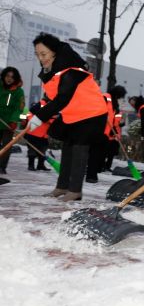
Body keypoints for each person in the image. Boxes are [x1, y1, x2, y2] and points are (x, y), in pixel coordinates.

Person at [30, 32, 108, 201]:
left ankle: (75, 191)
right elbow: (52, 97)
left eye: (44, 54)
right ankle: (62, 186)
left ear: (54, 52)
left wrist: (40, 117)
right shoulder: (52, 71)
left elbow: (62, 98)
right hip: (74, 115)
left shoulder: (71, 70)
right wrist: (37, 112)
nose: (41, 58)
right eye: (38, 54)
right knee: (68, 148)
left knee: (80, 149)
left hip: (92, 113)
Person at [0, 67, 25, 174]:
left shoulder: (19, 92)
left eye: (12, 77)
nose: (9, 79)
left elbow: (19, 108)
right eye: (7, 76)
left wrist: (14, 120)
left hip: (8, 124)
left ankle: (2, 166)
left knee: (7, 145)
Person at [104, 85, 127, 172]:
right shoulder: (108, 100)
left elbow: (117, 120)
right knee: (105, 150)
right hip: (108, 131)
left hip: (115, 133)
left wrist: (121, 123)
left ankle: (107, 166)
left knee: (112, 152)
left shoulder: (117, 107)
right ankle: (102, 165)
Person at [26, 98, 53, 171]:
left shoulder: (53, 106)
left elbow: (53, 118)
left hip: (44, 134)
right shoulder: (40, 104)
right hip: (34, 132)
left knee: (43, 149)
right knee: (32, 150)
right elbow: (29, 114)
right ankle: (31, 165)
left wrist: (50, 120)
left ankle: (40, 165)